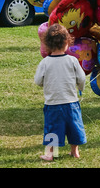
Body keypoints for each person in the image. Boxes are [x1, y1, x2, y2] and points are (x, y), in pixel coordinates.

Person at [35, 23, 86, 161]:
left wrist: (44, 84)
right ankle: (75, 151)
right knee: (73, 127)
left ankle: (50, 154)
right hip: (71, 103)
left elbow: (38, 80)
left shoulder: (45, 63)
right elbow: (81, 78)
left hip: (53, 104)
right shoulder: (73, 60)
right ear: (67, 43)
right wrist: (81, 88)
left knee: (52, 129)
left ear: (47, 45)